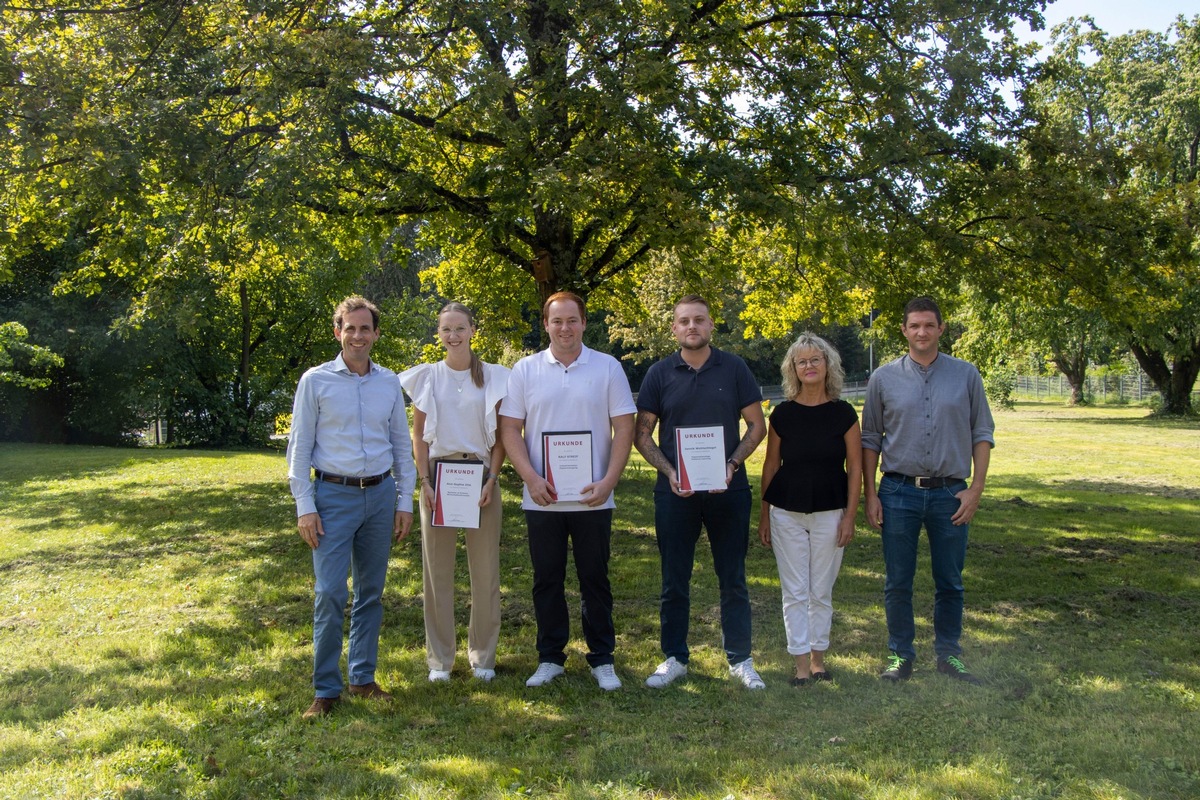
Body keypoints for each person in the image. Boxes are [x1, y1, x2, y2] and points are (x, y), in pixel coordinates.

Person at [286, 295, 417, 719]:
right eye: (350, 328)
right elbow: (299, 448)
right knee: (328, 593)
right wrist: (305, 506)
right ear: (337, 332)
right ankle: (326, 690)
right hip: (331, 498)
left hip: (380, 498)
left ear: (376, 334)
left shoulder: (388, 382)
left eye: (366, 328)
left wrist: (404, 501)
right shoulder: (315, 381)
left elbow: (401, 444)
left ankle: (362, 679)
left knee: (370, 594)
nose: (358, 336)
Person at [498, 291, 636, 692]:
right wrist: (530, 478)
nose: (564, 328)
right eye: (556, 321)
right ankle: (550, 657)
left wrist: (609, 480)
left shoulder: (607, 368)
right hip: (544, 496)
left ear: (584, 323)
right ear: (545, 325)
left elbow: (624, 428)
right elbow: (510, 429)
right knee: (547, 579)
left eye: (571, 320)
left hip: (594, 495)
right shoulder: (524, 370)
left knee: (595, 577)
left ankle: (602, 658)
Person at [634, 295, 768, 690]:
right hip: (675, 492)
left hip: (729, 489)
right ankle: (674, 657)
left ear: (711, 325)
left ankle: (740, 659)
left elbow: (757, 426)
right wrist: (672, 471)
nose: (691, 327)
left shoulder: (735, 367)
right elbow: (642, 435)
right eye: (684, 321)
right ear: (673, 328)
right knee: (674, 579)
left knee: (734, 578)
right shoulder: (659, 373)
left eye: (699, 320)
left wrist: (731, 465)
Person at [861, 296, 995, 685]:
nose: (922, 332)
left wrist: (977, 490)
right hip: (898, 492)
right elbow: (870, 438)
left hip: (951, 494)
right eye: (914, 325)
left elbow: (981, 433)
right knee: (897, 580)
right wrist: (870, 494)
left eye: (929, 325)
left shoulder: (966, 375)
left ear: (941, 329)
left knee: (949, 580)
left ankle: (949, 655)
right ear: (903, 330)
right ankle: (900, 655)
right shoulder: (883, 379)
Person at [400, 303, 509, 684]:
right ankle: (440, 660)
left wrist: (492, 479)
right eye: (446, 329)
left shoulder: (495, 377)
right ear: (439, 333)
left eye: (459, 328)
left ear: (473, 330)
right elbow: (418, 435)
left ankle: (483, 657)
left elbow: (501, 438)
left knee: (485, 572)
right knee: (437, 573)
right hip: (438, 479)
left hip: (481, 479)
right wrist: (424, 482)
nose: (453, 336)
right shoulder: (427, 377)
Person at [758, 333, 861, 686]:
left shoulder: (844, 414)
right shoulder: (782, 414)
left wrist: (850, 515)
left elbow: (856, 468)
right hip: (786, 511)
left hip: (831, 511)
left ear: (827, 364)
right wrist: (764, 514)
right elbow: (771, 466)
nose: (809, 366)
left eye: (815, 359)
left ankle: (819, 660)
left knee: (821, 589)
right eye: (802, 361)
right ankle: (800, 665)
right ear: (794, 369)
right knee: (795, 590)